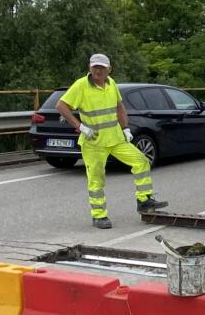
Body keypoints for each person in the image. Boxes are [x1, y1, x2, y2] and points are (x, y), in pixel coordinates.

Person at [56, 53, 168, 229]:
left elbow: (119, 107)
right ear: (89, 68)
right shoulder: (81, 85)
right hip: (94, 142)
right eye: (95, 67)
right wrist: (80, 127)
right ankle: (99, 216)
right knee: (96, 180)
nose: (98, 71)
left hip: (116, 138)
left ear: (109, 69)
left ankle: (144, 201)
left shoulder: (112, 83)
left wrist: (125, 128)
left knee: (141, 162)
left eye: (101, 67)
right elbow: (61, 106)